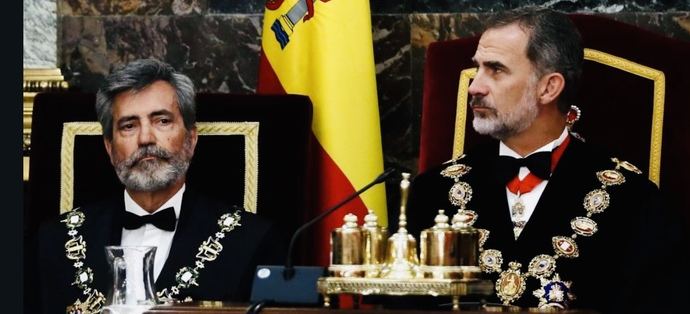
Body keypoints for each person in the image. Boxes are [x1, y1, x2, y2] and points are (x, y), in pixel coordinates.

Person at [406, 7, 688, 313]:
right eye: (478, 68)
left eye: (496, 69)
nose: (474, 86)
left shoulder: (632, 202)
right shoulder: (431, 193)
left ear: (549, 87)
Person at [32, 59, 285, 314]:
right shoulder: (56, 240)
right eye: (129, 126)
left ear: (190, 139)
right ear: (109, 148)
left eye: (162, 121)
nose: (145, 138)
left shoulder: (251, 240)